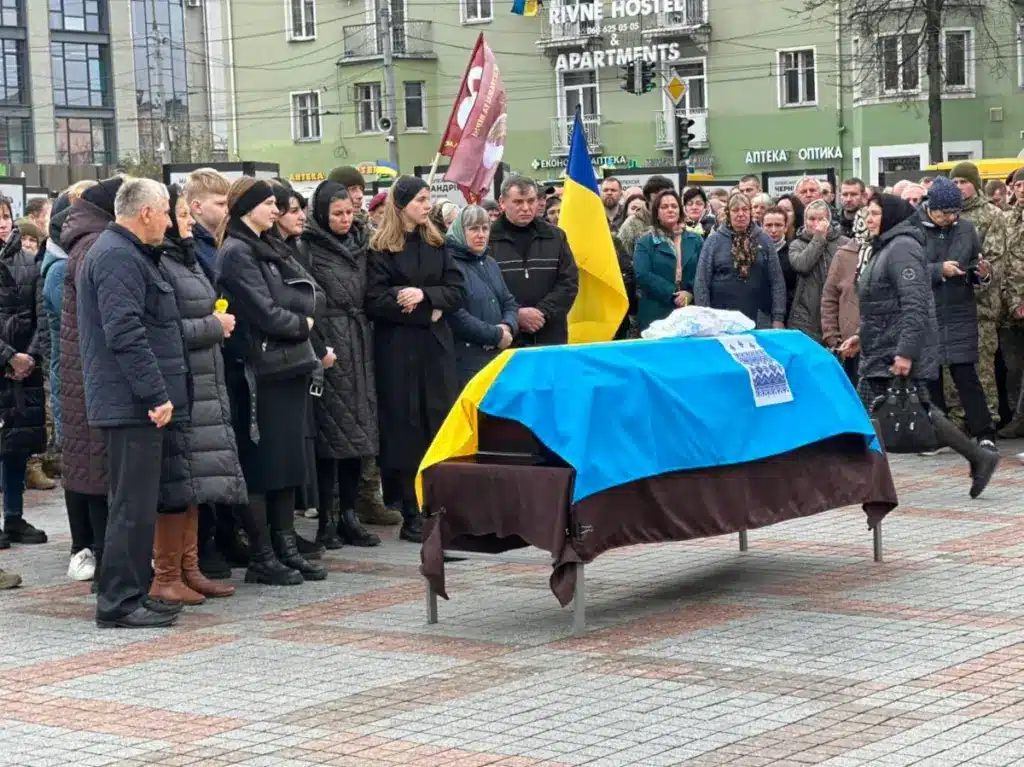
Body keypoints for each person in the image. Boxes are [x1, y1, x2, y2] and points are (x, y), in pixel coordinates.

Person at [77, 178, 190, 629]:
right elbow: (124, 332)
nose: (168, 220)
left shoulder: (127, 252)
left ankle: (132, 591)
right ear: (145, 212)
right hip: (131, 403)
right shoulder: (117, 255)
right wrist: (155, 393)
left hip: (134, 401)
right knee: (130, 505)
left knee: (138, 504)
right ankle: (119, 602)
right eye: (165, 211)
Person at [839, 194, 998, 498]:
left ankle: (861, 481)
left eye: (874, 213)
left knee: (871, 413)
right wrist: (861, 335)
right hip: (882, 345)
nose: (868, 219)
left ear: (890, 217)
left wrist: (905, 353)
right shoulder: (885, 247)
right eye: (867, 214)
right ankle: (979, 457)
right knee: (920, 411)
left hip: (895, 349)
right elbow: (883, 304)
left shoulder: (902, 249)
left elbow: (915, 306)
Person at [216, 177, 327, 585]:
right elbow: (264, 311)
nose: (276, 211)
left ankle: (287, 547)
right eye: (267, 204)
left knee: (287, 462)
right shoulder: (236, 252)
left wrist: (299, 312)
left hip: (288, 366)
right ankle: (263, 554)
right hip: (259, 371)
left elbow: (315, 292)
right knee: (262, 465)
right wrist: (302, 322)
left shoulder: (271, 245)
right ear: (247, 208)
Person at [151, 185, 245, 604]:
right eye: (181, 217)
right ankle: (167, 573)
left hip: (203, 382)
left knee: (191, 483)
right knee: (177, 482)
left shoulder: (183, 259)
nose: (186, 223)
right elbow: (164, 330)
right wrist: (215, 327)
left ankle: (189, 569)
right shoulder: (161, 263)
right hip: (182, 382)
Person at [366, 176, 466, 543]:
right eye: (422, 200)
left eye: (429, 199)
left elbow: (457, 291)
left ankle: (438, 506)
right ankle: (409, 510)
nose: (428, 206)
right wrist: (413, 303)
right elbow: (374, 300)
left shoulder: (436, 242)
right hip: (398, 350)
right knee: (405, 428)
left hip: (434, 349)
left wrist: (424, 295)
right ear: (403, 204)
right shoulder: (381, 247)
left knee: (436, 423)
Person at [300, 180, 381, 549]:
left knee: (358, 436)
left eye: (349, 212)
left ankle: (350, 514)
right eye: (337, 214)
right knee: (330, 437)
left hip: (360, 339)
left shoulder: (364, 245)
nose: (346, 219)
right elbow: (306, 300)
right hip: (330, 340)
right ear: (321, 214)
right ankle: (327, 519)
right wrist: (319, 348)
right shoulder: (308, 248)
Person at [59, 178, 121, 589]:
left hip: (86, 377)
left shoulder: (89, 242)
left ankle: (106, 561)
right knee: (99, 475)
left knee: (97, 472)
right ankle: (104, 562)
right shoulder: (94, 248)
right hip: (92, 379)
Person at [913, 178, 995, 447]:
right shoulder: (912, 231)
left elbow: (975, 263)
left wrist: (981, 273)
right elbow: (907, 272)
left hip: (960, 310)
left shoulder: (967, 229)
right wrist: (939, 270)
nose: (951, 218)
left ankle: (984, 434)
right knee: (932, 377)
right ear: (931, 209)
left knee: (966, 375)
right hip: (928, 311)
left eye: (955, 212)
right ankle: (939, 436)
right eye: (946, 213)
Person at [0, 200, 49, 550]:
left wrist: (29, 356)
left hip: (24, 372)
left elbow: (42, 316)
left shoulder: (29, 263)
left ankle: (14, 517)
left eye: (4, 216)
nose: (2, 224)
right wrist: (7, 358)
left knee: (17, 447)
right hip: (5, 365)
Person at [490, 176, 578, 346]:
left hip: (550, 335)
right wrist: (515, 314)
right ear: (502, 202)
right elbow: (483, 289)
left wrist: (542, 312)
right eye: (518, 202)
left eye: (531, 201)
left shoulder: (555, 236)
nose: (526, 208)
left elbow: (569, 282)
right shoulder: (486, 240)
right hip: (505, 337)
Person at [446, 204, 519, 387]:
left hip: (495, 358)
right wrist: (495, 335)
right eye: (473, 229)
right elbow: (455, 314)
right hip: (465, 363)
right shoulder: (449, 265)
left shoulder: (490, 262)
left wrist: (507, 326)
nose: (481, 234)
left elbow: (508, 301)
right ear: (460, 231)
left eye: (485, 228)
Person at [694, 192, 786, 326]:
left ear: (750, 212)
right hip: (721, 318)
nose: (740, 214)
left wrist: (778, 317)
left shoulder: (764, 239)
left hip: (759, 317)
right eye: (735, 210)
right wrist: (706, 317)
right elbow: (701, 281)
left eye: (744, 209)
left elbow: (777, 280)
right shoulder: (714, 241)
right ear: (728, 213)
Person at [633, 189, 702, 331]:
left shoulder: (695, 240)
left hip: (690, 310)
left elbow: (704, 271)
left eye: (674, 206)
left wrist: (689, 292)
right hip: (656, 311)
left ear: (680, 211)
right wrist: (673, 294)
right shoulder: (645, 242)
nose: (670, 210)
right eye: (664, 207)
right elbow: (642, 274)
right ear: (656, 213)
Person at [787, 199, 850, 342]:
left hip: (837, 314)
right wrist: (818, 238)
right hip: (806, 317)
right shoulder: (796, 245)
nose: (816, 223)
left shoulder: (844, 243)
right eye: (811, 219)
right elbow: (802, 265)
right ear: (805, 221)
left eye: (821, 219)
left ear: (829, 220)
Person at [822, 210, 866, 385]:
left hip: (880, 346)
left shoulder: (888, 251)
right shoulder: (843, 255)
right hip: (848, 347)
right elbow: (829, 298)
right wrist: (832, 337)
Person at [184, 169, 230, 282]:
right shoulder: (188, 247)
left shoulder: (229, 240)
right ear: (197, 207)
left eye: (229, 203)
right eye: (221, 204)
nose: (228, 209)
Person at [618, 175, 674, 255]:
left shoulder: (676, 221)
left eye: (666, 195)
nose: (662, 199)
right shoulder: (632, 224)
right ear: (648, 196)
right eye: (657, 195)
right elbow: (621, 256)